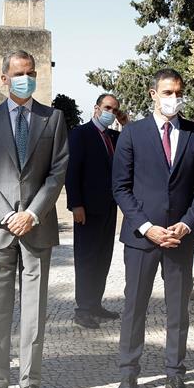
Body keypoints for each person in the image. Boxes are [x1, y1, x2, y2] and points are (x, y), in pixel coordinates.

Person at [0, 50, 68, 388]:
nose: (24, 77)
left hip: (37, 226)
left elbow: (58, 172)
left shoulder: (53, 119)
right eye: (17, 73)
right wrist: (5, 215)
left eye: (30, 72)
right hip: (0, 228)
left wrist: (33, 213)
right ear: (4, 78)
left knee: (34, 307)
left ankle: (31, 380)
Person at [112, 68, 194, 388]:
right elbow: (121, 188)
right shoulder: (132, 134)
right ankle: (129, 374)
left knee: (177, 310)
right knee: (135, 306)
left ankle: (176, 374)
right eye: (167, 92)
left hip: (179, 236)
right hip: (142, 238)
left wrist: (187, 223)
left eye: (178, 92)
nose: (173, 98)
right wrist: (147, 227)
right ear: (152, 93)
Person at [64, 93, 123, 328]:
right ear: (96, 108)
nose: (111, 113)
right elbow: (72, 170)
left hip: (109, 207)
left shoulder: (114, 137)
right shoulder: (81, 134)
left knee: (103, 257)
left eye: (115, 110)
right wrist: (75, 204)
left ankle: (96, 303)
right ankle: (83, 309)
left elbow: (133, 142)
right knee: (87, 259)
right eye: (107, 108)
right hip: (86, 209)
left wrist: (125, 122)